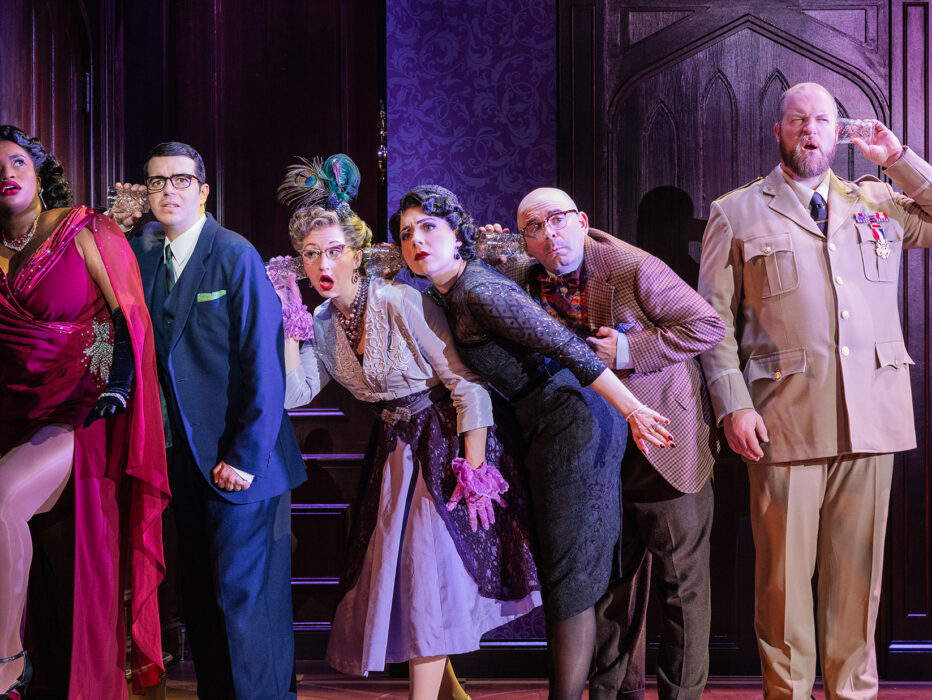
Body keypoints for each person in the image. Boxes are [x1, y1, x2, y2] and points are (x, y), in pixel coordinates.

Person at [697, 82, 932, 699]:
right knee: (781, 582)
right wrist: (733, 406)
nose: (810, 129)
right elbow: (712, 324)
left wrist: (898, 158)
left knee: (859, 580)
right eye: (797, 119)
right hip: (783, 418)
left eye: (822, 119)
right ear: (778, 131)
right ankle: (789, 693)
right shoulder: (737, 212)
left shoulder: (877, 199)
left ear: (839, 132)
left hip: (871, 419)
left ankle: (852, 691)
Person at [393, 184, 675, 700]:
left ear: (459, 235)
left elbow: (568, 347)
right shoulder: (440, 293)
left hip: (574, 421)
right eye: (407, 233)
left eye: (430, 226)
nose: (417, 240)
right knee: (560, 570)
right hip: (538, 426)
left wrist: (631, 408)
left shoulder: (479, 289)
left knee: (569, 577)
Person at [274, 155, 540, 700]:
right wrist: (291, 326)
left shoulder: (401, 299)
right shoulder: (323, 325)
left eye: (334, 251)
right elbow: (292, 396)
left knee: (426, 578)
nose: (323, 264)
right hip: (393, 451)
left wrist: (475, 464)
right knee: (409, 580)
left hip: (443, 441)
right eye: (311, 254)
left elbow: (465, 384)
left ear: (356, 254)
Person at [498, 186, 726, 700]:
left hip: (663, 441)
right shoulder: (523, 275)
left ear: (582, 220)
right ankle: (612, 692)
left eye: (556, 221)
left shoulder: (631, 267)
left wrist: (628, 347)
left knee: (680, 584)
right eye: (533, 229)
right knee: (607, 582)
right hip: (593, 451)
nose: (548, 235)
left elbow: (707, 324)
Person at [127, 141, 307, 699]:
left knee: (246, 611)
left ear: (204, 191)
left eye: (181, 180)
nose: (168, 191)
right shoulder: (146, 257)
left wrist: (244, 458)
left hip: (241, 465)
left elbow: (264, 363)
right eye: (157, 182)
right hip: (182, 463)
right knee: (202, 602)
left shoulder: (234, 253)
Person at [0, 125, 169, 698]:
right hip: (9, 414)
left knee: (0, 501)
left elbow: (127, 319)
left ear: (38, 171)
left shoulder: (83, 227)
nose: (6, 173)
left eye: (17, 161)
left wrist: (116, 383)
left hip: (81, 413)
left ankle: (6, 662)